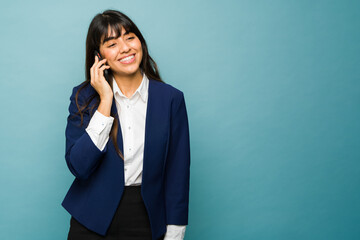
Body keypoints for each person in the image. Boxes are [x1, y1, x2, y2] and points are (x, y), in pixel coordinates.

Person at [61, 9, 191, 240]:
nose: (125, 48)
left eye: (130, 37)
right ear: (98, 56)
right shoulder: (83, 97)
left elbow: (177, 170)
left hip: (146, 217)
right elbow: (79, 167)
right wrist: (105, 101)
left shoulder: (170, 99)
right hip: (91, 216)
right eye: (111, 43)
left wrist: (176, 229)